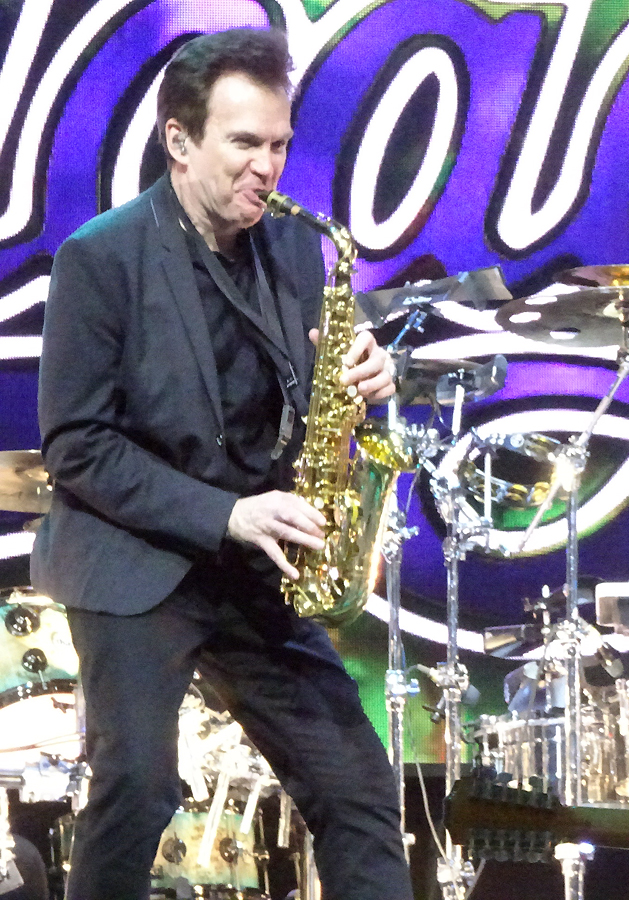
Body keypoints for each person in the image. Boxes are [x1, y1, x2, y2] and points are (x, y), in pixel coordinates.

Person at [32, 28, 413, 900]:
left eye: (278, 145)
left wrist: (364, 382)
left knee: (359, 789)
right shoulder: (100, 257)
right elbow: (77, 446)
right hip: (135, 561)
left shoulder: (294, 248)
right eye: (244, 143)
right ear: (179, 140)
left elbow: (307, 403)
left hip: (252, 566)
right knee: (138, 788)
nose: (267, 168)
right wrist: (225, 514)